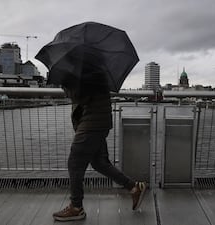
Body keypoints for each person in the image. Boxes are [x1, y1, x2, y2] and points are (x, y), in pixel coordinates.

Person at [52, 69, 147, 222]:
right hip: (98, 121)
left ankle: (76, 207)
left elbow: (79, 97)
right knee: (99, 163)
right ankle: (134, 187)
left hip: (92, 123)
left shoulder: (86, 72)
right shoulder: (94, 67)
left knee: (74, 163)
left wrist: (65, 83)